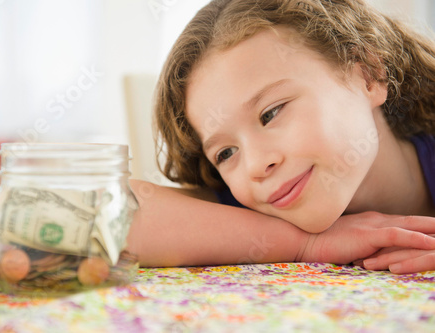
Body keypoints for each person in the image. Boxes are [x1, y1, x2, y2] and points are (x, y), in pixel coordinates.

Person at [126, 0, 435, 274]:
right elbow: (98, 211)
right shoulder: (257, 205)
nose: (256, 165)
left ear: (367, 75)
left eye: (270, 113)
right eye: (225, 153)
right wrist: (307, 244)